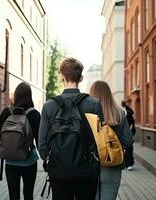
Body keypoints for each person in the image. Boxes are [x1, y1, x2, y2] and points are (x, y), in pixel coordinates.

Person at [38, 57, 104, 200]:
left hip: (58, 172)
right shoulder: (93, 104)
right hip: (86, 172)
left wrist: (51, 161)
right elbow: (101, 141)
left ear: (62, 77)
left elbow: (42, 144)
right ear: (80, 77)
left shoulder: (49, 106)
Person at [0, 82, 41, 200]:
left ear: (16, 96)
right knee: (28, 194)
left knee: (13, 196)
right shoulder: (34, 114)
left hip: (10, 162)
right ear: (29, 96)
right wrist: (46, 160)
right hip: (29, 161)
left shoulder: (6, 112)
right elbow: (40, 140)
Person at [90, 80, 133, 200]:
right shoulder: (119, 113)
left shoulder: (88, 114)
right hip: (112, 165)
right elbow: (129, 141)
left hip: (90, 166)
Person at [121, 99, 136, 171]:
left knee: (128, 148)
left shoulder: (125, 110)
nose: (128, 104)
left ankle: (129, 163)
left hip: (128, 132)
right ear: (125, 104)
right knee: (127, 148)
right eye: (127, 103)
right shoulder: (124, 111)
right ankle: (128, 164)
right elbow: (131, 113)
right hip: (126, 132)